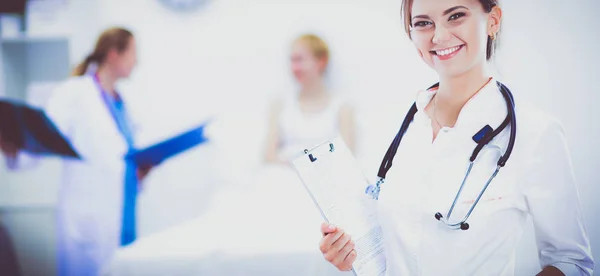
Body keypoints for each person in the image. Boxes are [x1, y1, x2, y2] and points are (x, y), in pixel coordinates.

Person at [317, 0, 594, 275]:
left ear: (493, 20)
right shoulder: (399, 123)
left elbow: (570, 261)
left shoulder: (535, 132)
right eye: (424, 23)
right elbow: (392, 242)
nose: (439, 36)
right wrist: (351, 253)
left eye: (456, 16)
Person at [0, 27, 152, 276]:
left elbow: (122, 157)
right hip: (88, 219)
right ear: (114, 54)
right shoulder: (74, 93)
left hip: (123, 212)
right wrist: (13, 147)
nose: (137, 61)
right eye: (133, 53)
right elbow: (43, 139)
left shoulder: (123, 100)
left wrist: (141, 170)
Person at [264, 33, 356, 165]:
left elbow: (347, 156)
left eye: (300, 60)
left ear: (321, 61)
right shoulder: (280, 105)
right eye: (292, 60)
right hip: (283, 176)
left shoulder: (342, 108)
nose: (294, 68)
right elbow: (269, 156)